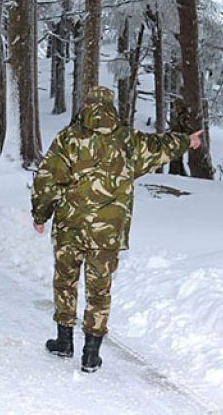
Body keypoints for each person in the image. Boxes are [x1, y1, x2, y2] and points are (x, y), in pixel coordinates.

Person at [31, 86, 202, 373]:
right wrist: (187, 140)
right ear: (111, 108)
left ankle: (64, 342)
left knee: (65, 281)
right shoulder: (128, 140)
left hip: (69, 227)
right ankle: (90, 354)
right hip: (108, 230)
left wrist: (40, 214)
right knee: (100, 289)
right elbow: (161, 147)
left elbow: (47, 180)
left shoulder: (68, 138)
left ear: (85, 105)